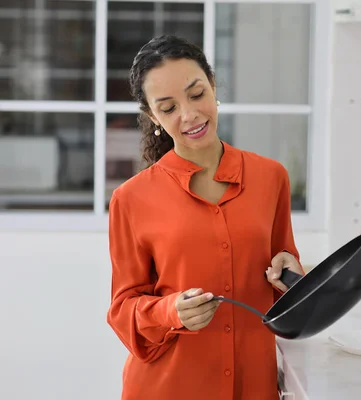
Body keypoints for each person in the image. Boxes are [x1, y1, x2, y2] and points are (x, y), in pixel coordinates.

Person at [106, 34, 304, 400]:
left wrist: (291, 273)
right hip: (169, 387)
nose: (189, 115)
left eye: (196, 95)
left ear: (212, 86)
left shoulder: (271, 177)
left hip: (253, 384)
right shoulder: (130, 199)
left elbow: (291, 290)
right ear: (152, 116)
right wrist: (171, 312)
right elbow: (122, 309)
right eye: (168, 108)